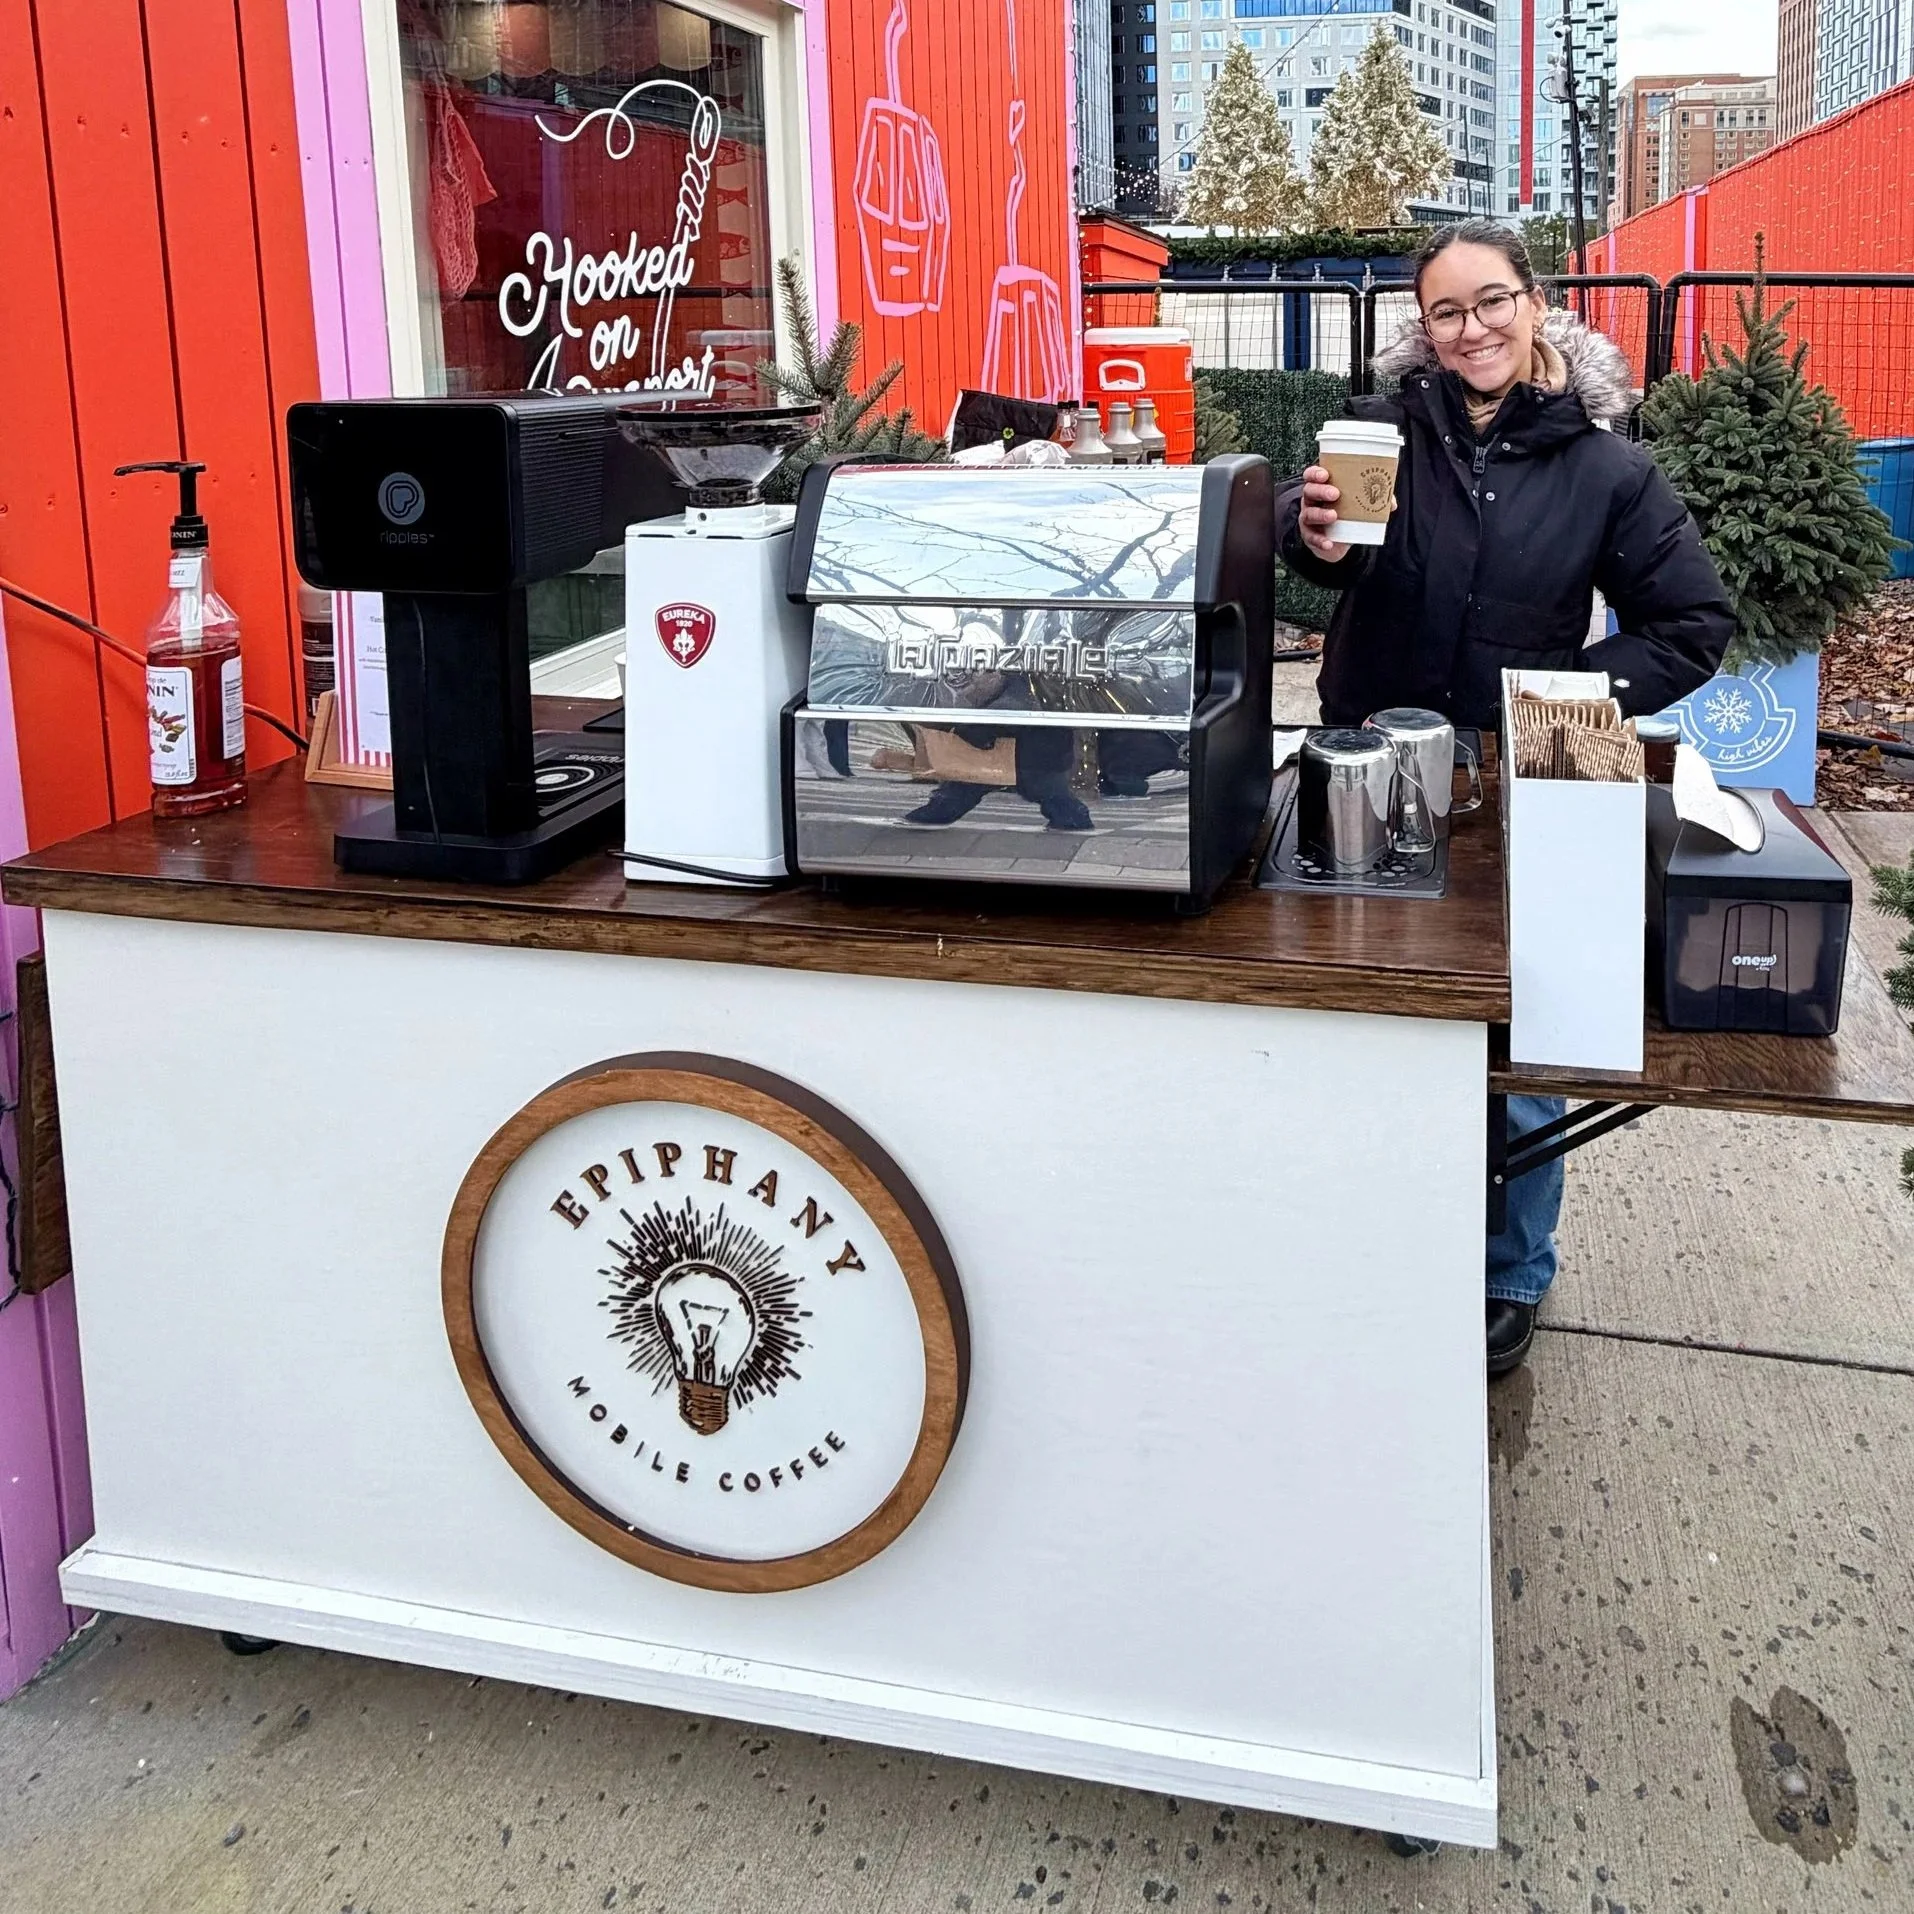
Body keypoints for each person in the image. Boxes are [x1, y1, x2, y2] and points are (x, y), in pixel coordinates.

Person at [1274, 220, 1734, 1378]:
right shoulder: (1381, 429)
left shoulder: (1607, 466)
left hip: (1529, 763)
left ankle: (1510, 1269)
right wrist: (1310, 530)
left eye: (1490, 303)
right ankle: (1375, 1234)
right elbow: (1324, 546)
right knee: (1368, 1011)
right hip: (1371, 747)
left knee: (1529, 1032)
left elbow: (1693, 625)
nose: (1469, 329)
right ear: (1420, 329)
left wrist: (1564, 695)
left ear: (1536, 304)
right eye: (1444, 312)